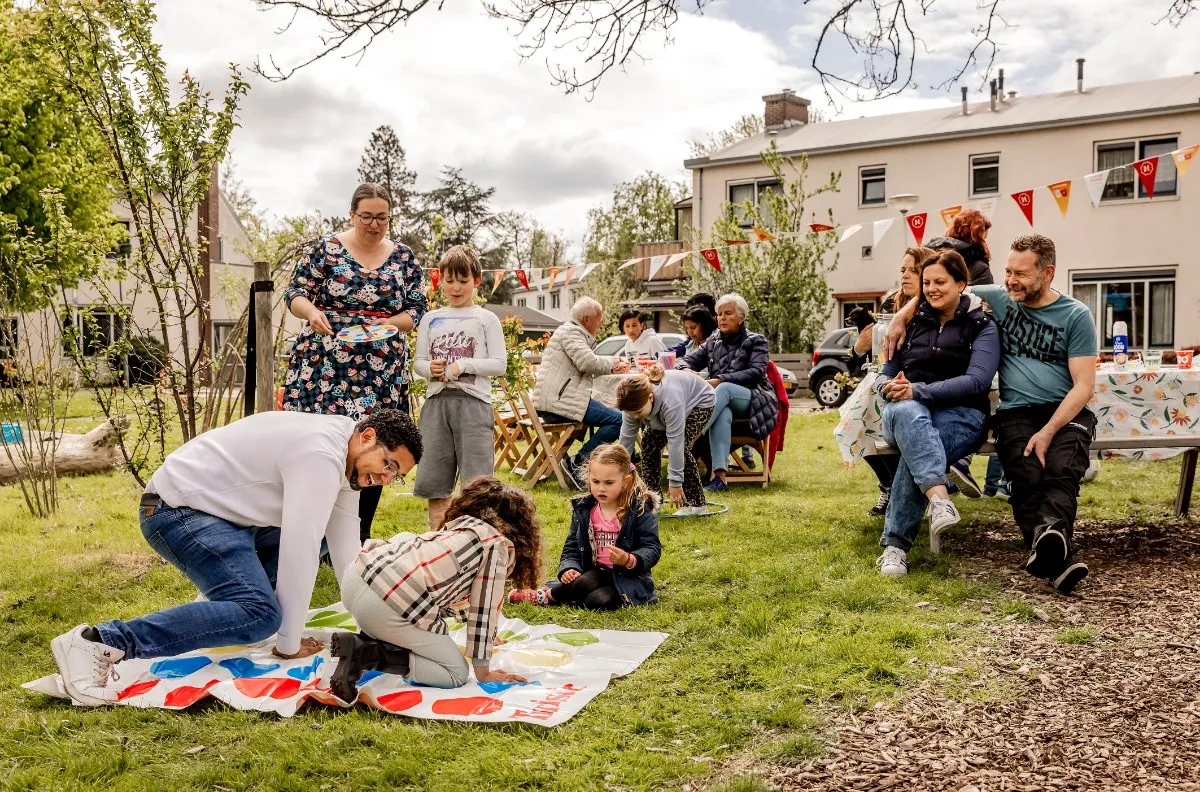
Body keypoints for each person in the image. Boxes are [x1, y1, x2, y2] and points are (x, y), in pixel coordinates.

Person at [49, 409, 423, 706]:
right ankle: (100, 641)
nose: (387, 479)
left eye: (398, 476)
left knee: (319, 538)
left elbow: (346, 554)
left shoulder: (347, 457)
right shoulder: (321, 455)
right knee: (261, 615)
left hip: (220, 514)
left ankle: (224, 609)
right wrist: (288, 642)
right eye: (389, 465)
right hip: (171, 508)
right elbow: (300, 549)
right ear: (367, 437)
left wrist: (377, 627)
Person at [886, 234, 1097, 594]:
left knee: (1062, 470)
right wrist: (900, 317)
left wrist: (1049, 430)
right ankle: (1053, 546)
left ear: (1048, 273)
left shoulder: (1076, 315)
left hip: (1063, 411)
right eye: (1008, 272)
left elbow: (1084, 386)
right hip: (1016, 413)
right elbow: (938, 289)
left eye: (1020, 274)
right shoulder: (1001, 297)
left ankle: (1050, 549)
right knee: (1026, 477)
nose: (1010, 281)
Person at [282, 182, 428, 543]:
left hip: (381, 370)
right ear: (352, 214)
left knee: (378, 444)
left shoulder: (404, 257)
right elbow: (295, 293)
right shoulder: (326, 249)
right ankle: (315, 532)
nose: (374, 224)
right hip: (326, 366)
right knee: (325, 444)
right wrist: (312, 312)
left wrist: (389, 325)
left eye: (382, 217)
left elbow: (417, 309)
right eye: (366, 216)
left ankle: (358, 535)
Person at [330, 477, 541, 701]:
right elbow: (484, 609)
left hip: (355, 578)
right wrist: (484, 672)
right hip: (384, 606)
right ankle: (367, 653)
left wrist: (488, 637)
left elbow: (447, 594)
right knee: (456, 672)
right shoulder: (497, 546)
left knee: (406, 543)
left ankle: (372, 637)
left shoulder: (459, 529)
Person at [874, 251, 1000, 578]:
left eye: (940, 282)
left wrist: (917, 390)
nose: (931, 288)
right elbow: (885, 373)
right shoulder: (910, 323)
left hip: (962, 415)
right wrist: (888, 386)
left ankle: (895, 548)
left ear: (961, 283)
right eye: (927, 282)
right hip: (903, 411)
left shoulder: (982, 326)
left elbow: (977, 381)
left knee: (916, 450)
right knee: (911, 417)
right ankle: (940, 499)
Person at [412, 245, 507, 529]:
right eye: (449, 280)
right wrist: (430, 369)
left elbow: (499, 364)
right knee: (435, 482)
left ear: (476, 281)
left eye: (463, 280)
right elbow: (418, 363)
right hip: (436, 404)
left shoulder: (486, 318)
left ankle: (475, 543)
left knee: (478, 486)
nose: (456, 287)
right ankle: (437, 541)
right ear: (440, 280)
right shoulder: (430, 319)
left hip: (474, 404)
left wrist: (463, 365)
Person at [508, 444, 661, 610]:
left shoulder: (639, 510)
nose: (601, 488)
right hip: (594, 572)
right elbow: (572, 546)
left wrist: (630, 560)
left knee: (597, 601)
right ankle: (544, 596)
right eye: (596, 481)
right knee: (585, 582)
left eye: (609, 483)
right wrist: (569, 568)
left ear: (626, 481)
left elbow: (651, 547)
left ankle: (570, 594)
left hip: (628, 578)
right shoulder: (584, 510)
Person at [850, 246, 935, 516]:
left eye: (914, 270)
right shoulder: (891, 304)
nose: (905, 275)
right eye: (902, 270)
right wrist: (860, 345)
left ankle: (903, 488)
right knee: (854, 424)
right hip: (887, 375)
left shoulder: (936, 304)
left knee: (879, 419)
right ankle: (888, 484)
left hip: (920, 382)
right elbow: (865, 352)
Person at [678, 293, 778, 493]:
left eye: (728, 313)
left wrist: (720, 379)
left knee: (723, 388)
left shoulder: (756, 340)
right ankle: (719, 477)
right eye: (720, 314)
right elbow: (685, 360)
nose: (722, 318)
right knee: (722, 413)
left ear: (742, 317)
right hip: (722, 402)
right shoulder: (714, 340)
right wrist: (685, 369)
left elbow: (757, 372)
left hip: (755, 398)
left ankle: (690, 436)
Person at [535, 296, 630, 489]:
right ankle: (579, 463)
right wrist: (612, 363)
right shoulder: (571, 332)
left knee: (616, 413)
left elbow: (587, 362)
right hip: (559, 403)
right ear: (587, 319)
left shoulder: (570, 332)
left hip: (559, 399)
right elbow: (587, 362)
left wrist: (610, 367)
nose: (601, 324)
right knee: (620, 420)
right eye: (599, 319)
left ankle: (621, 457)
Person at [615, 364, 715, 514]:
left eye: (638, 413)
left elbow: (676, 443)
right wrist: (618, 474)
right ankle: (652, 501)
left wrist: (675, 483)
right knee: (648, 442)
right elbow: (625, 442)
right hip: (669, 406)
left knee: (681, 448)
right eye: (632, 414)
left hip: (700, 402)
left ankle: (696, 504)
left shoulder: (670, 401)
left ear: (650, 397)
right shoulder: (632, 406)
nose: (635, 417)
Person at [926, 208, 995, 286]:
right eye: (984, 234)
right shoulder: (980, 268)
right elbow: (986, 293)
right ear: (977, 235)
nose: (986, 235)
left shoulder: (932, 254)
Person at [667, 294, 718, 359]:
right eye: (687, 328)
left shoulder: (717, 341)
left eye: (693, 327)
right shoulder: (692, 343)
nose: (690, 332)